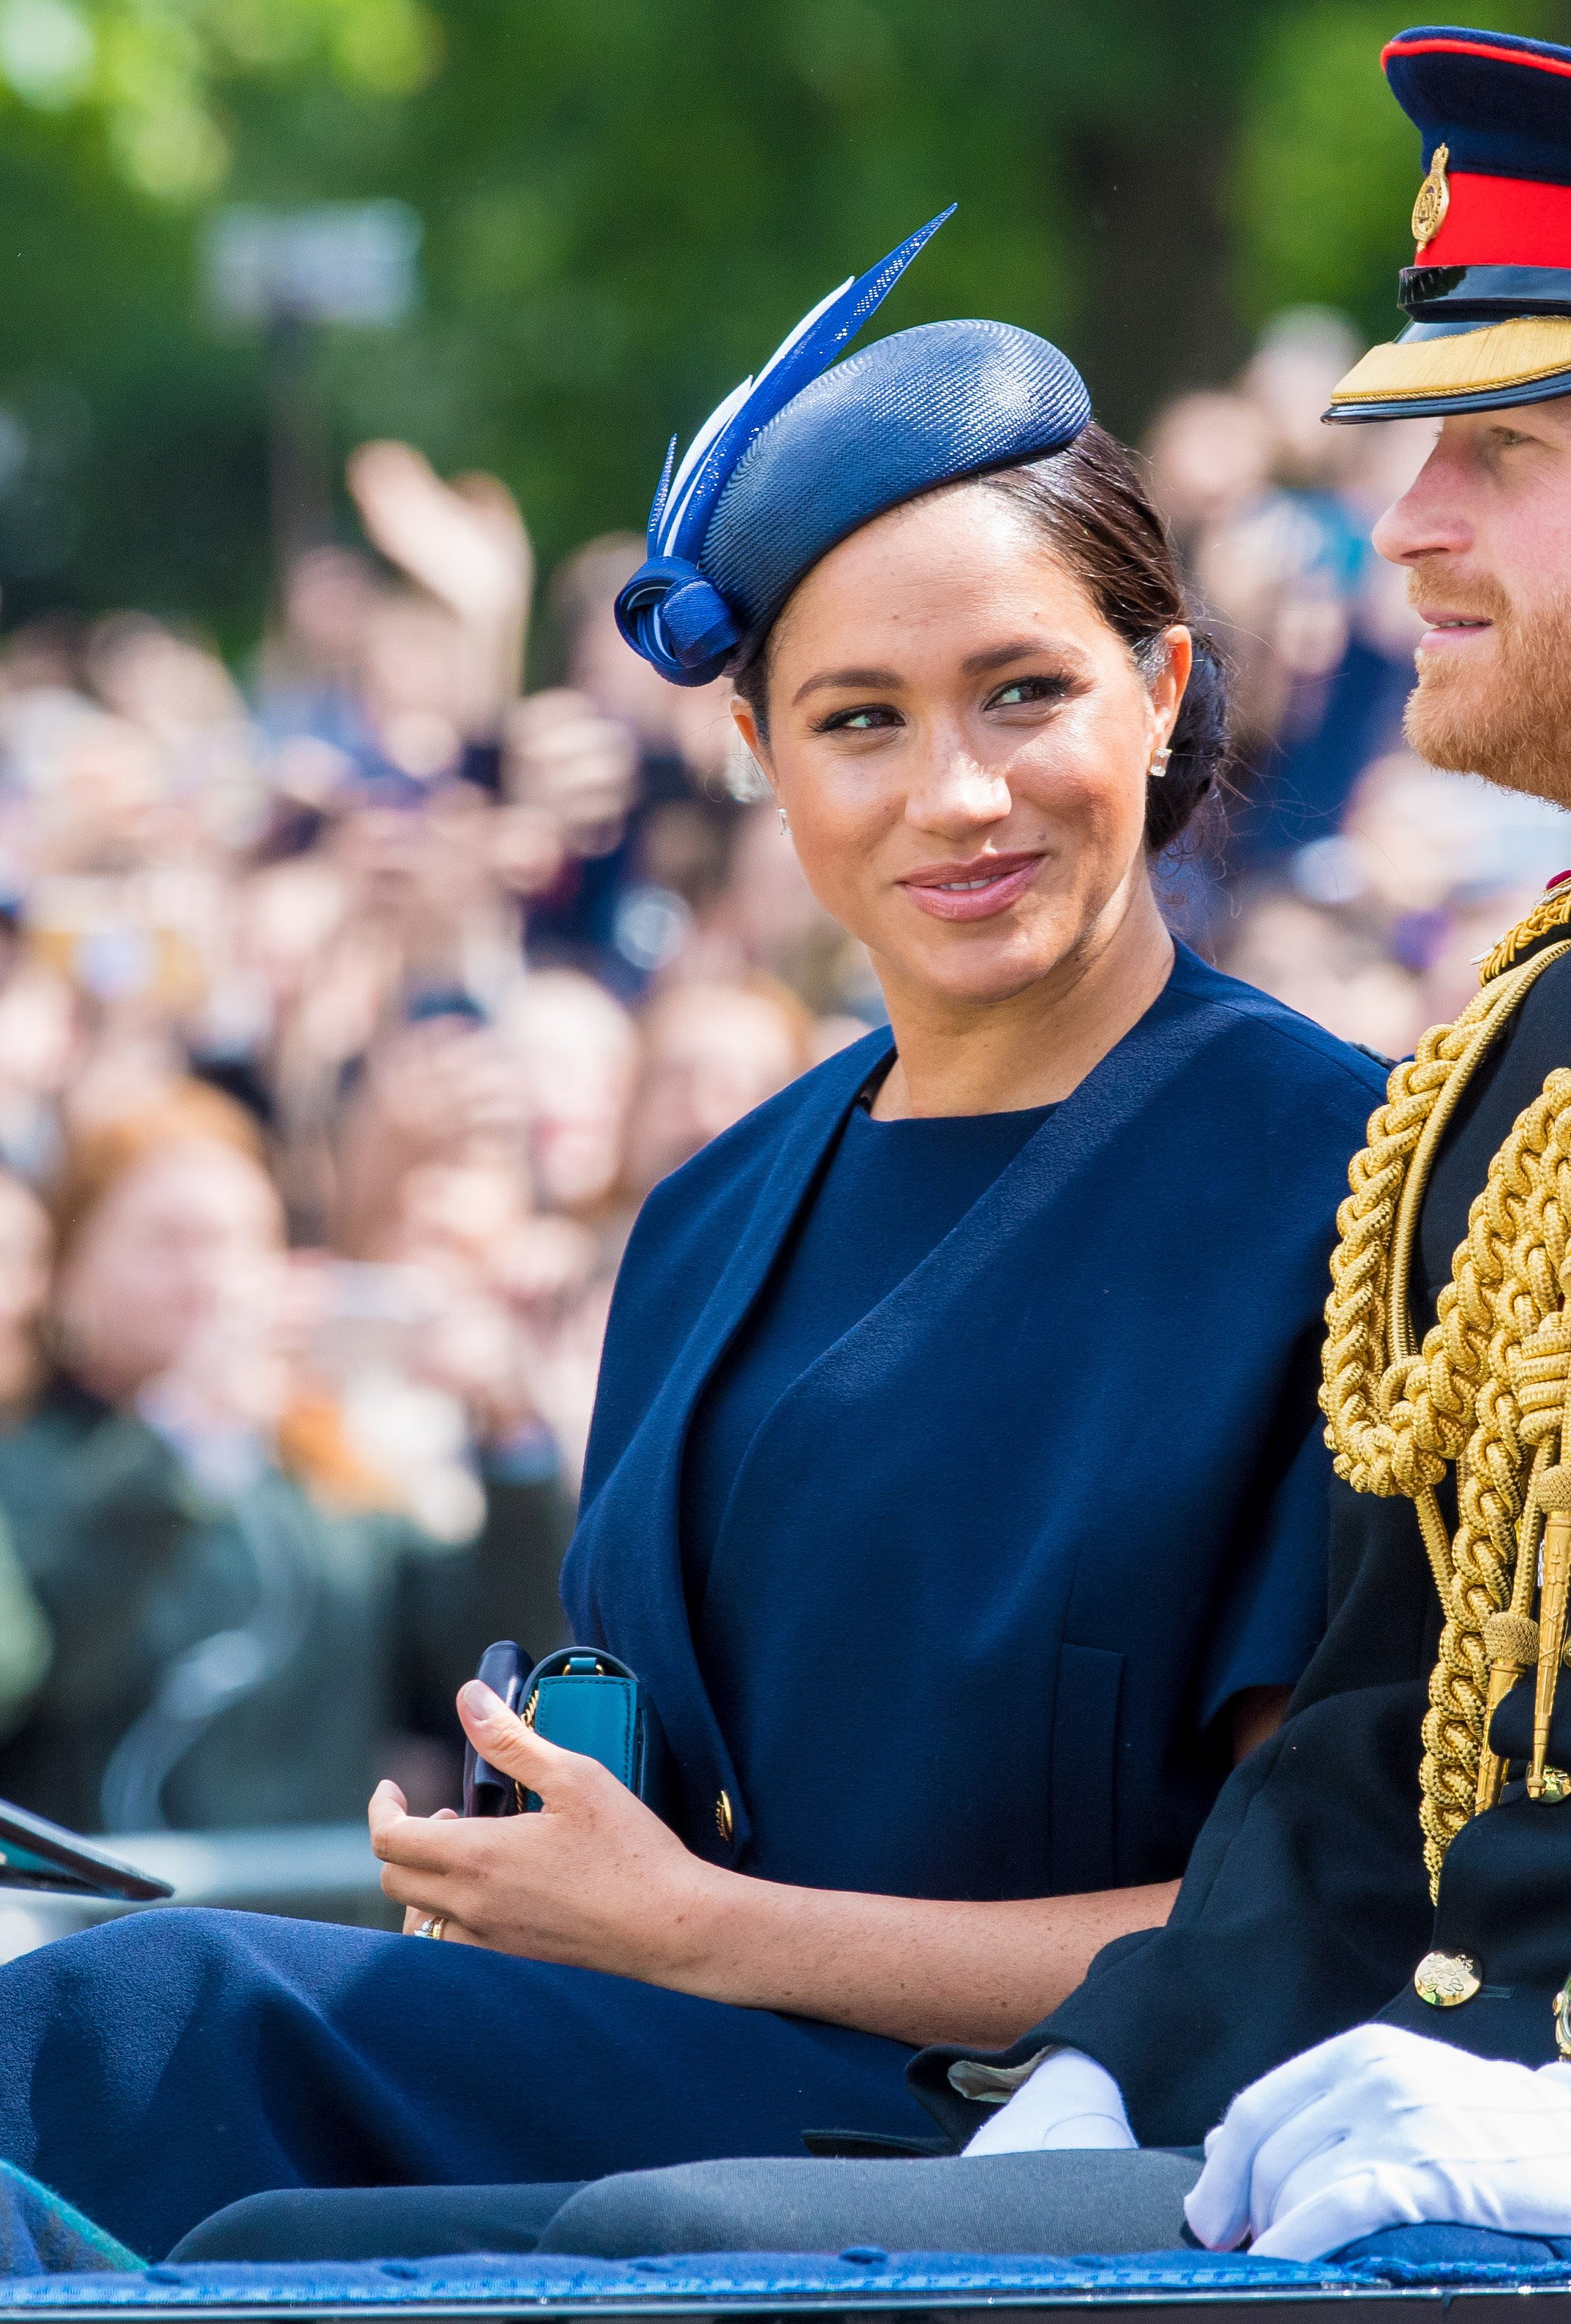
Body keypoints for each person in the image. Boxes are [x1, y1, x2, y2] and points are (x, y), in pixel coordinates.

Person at [231, 28, 1571, 2282]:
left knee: (633, 2253)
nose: (1409, 523)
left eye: (1501, 447)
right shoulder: (1557, 1028)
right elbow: (1375, 1754)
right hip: (1401, 2129)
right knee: (282, 2221)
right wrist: (1106, 2086)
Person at [0, 223, 1383, 2262]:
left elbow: (1310, 1919)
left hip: (1050, 2133)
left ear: (1160, 691)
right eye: (857, 722)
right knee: (106, 2045)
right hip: (694, 2054)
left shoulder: (1346, 1177)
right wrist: (534, 1859)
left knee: (159, 2051)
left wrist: (703, 1929)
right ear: (754, 761)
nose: (959, 794)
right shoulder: (716, 1209)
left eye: (1023, 692)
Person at [0, 1082, 571, 1833]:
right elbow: (44, 1662)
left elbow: (475, 1664)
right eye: (169, 1240)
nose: (210, 1274)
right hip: (106, 1927)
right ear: (70, 1276)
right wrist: (179, 1434)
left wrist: (510, 1434)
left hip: (309, 1924)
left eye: (243, 1240)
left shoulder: (324, 1476)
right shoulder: (32, 1469)